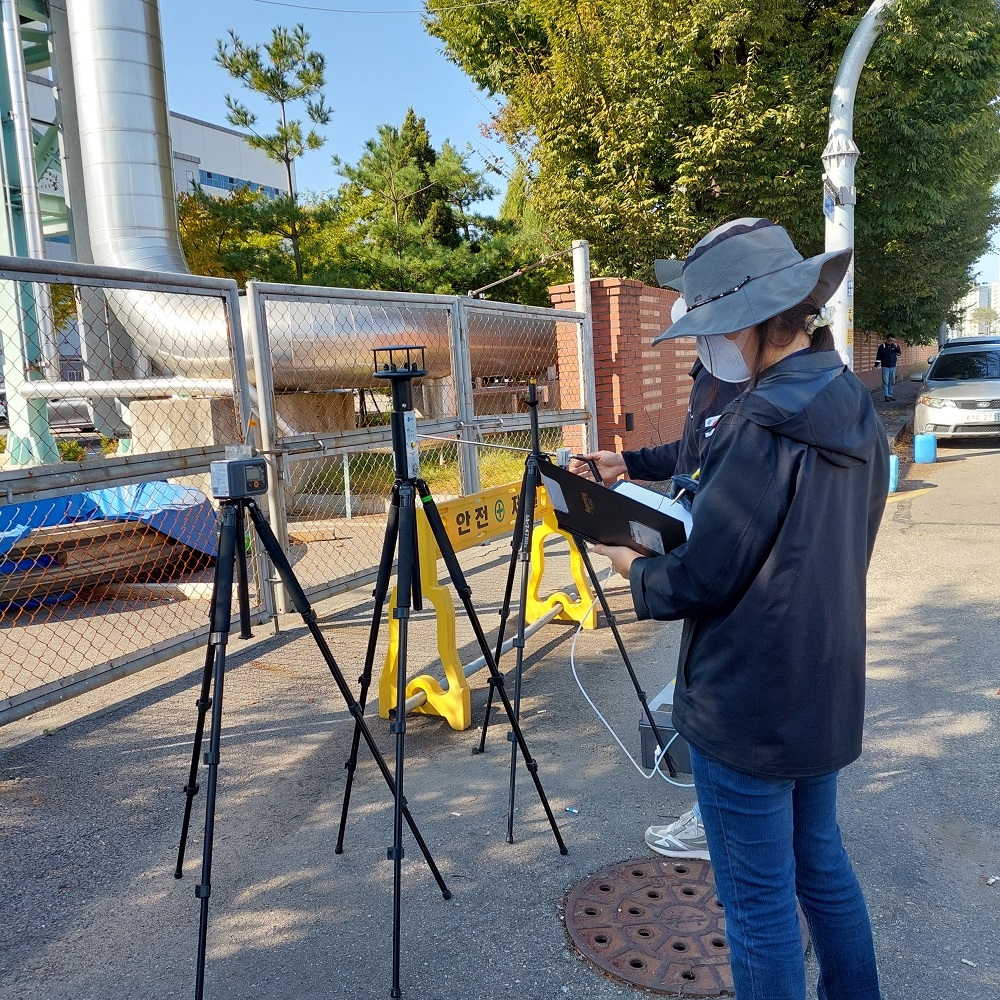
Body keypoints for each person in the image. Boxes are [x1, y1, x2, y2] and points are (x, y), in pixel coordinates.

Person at [592, 218, 887, 1000]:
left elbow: (703, 577)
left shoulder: (759, 422)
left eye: (718, 327)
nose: (711, 346)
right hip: (823, 686)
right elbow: (833, 544)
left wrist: (632, 564)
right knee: (821, 868)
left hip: (746, 702)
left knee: (757, 906)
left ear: (757, 320)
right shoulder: (853, 403)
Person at [570, 258, 741, 862]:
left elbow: (715, 564)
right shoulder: (713, 376)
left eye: (703, 335)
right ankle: (718, 809)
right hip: (699, 540)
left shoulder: (766, 404)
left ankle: (716, 819)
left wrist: (633, 568)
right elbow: (693, 453)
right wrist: (631, 464)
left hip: (738, 600)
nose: (699, 347)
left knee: (762, 881)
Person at [874, 334, 901, 401]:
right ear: (887, 340)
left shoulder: (895, 346)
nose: (892, 342)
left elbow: (899, 354)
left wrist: (897, 347)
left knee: (892, 382)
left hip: (893, 366)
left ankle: (890, 395)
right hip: (885, 366)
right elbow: (879, 356)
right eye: (890, 340)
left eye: (893, 341)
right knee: (885, 381)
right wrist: (876, 365)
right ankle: (886, 396)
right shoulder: (882, 346)